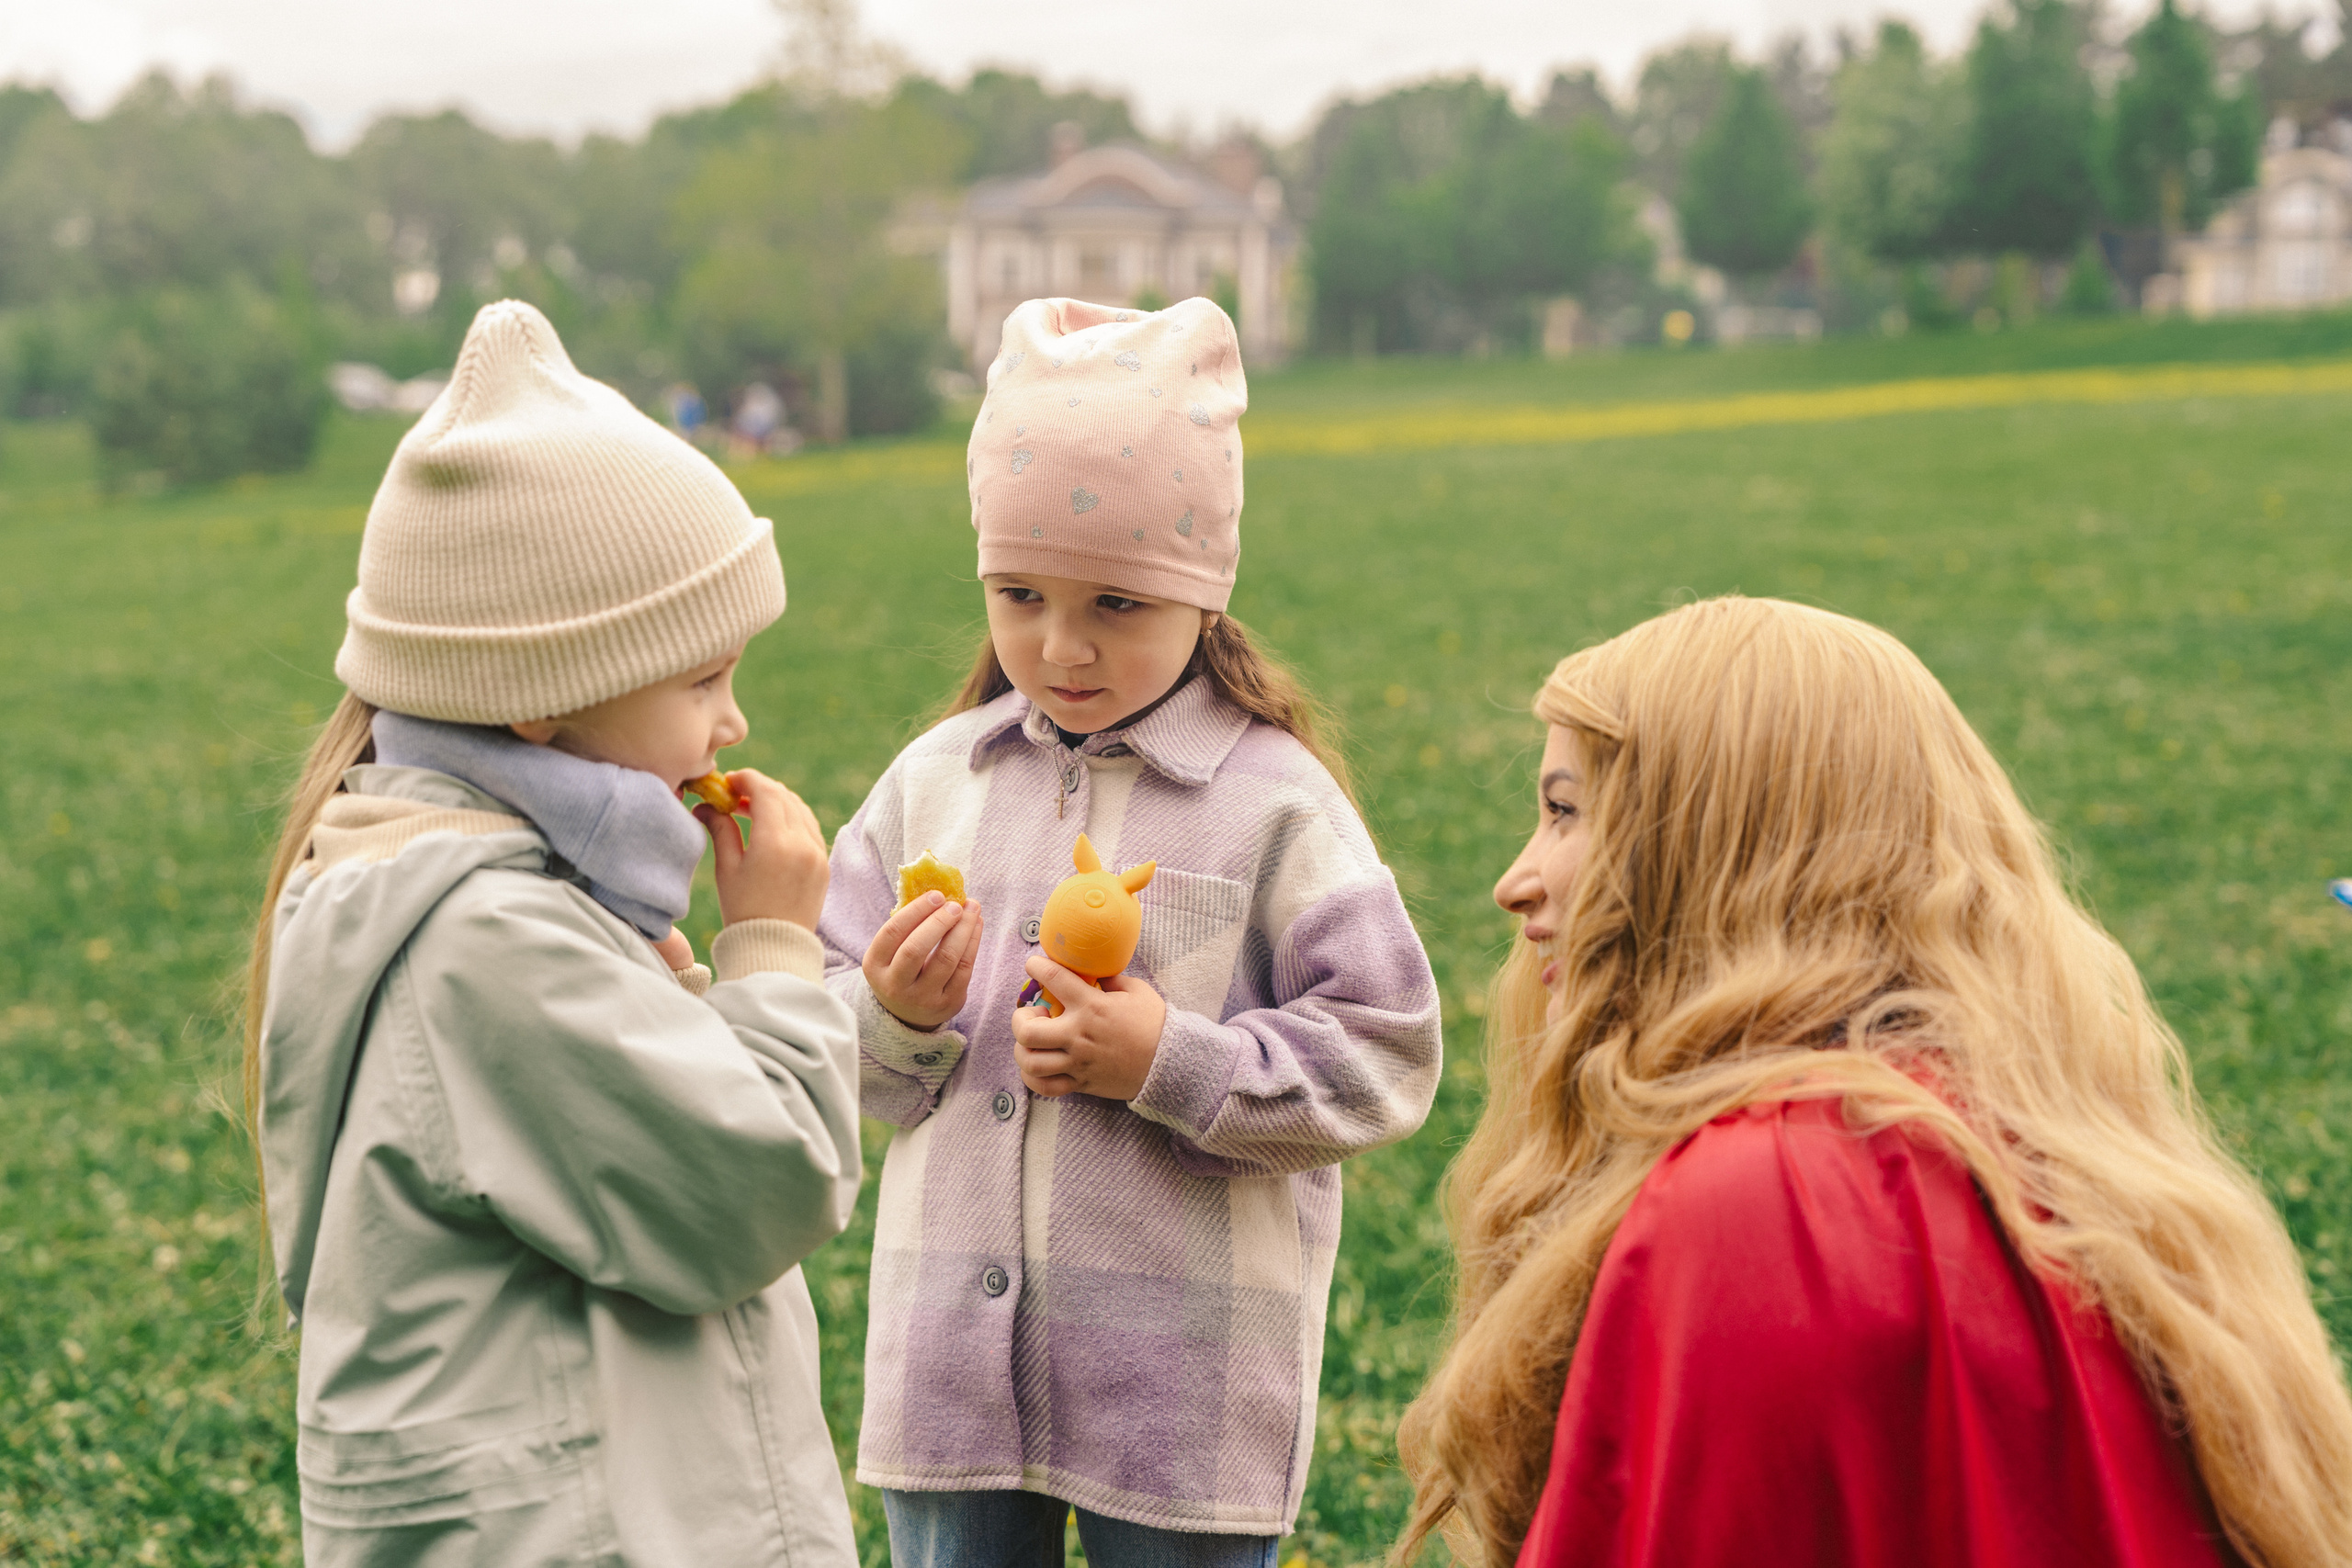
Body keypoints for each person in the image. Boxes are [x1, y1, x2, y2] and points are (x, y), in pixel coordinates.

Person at [1396, 596, 2352, 1568]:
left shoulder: (1768, 1204)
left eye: (1565, 811)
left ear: (1726, 849)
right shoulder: (2039, 1147)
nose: (1516, 878)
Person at [817, 296, 1443, 1566]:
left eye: (1116, 602)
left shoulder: (1275, 802)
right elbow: (832, 1053)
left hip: (1185, 1396)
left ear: (1202, 592)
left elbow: (1385, 1051)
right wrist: (897, 1017)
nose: (1060, 645)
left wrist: (1169, 1057)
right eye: (1019, 593)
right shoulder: (933, 784)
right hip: (952, 1389)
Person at [245, 300, 862, 1566]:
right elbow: (751, 1185)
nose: (731, 722)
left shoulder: (467, 885)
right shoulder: (487, 938)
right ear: (538, 702)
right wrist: (772, 950)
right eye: (700, 679)